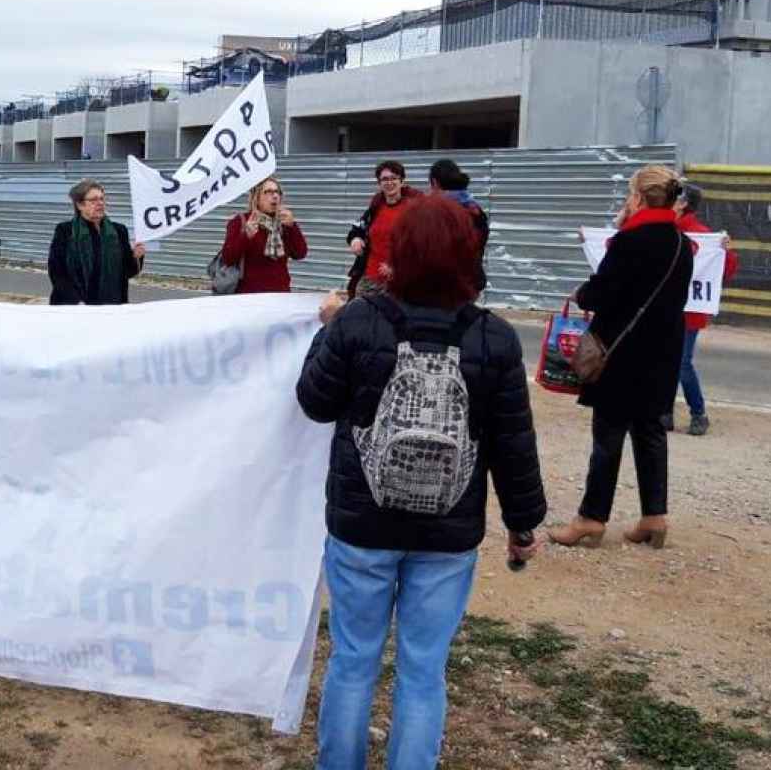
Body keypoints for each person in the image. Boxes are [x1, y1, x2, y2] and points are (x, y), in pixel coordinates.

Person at [297, 196, 545, 770]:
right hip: (448, 533)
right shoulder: (495, 338)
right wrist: (522, 524)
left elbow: (314, 402)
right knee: (423, 669)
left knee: (354, 660)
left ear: (397, 251)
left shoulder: (359, 321)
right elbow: (513, 444)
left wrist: (326, 331)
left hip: (362, 525)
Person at [549, 166, 694, 550]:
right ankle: (654, 516)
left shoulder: (630, 241)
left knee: (608, 436)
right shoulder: (682, 244)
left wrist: (582, 294)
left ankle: (591, 519)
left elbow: (601, 293)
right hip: (662, 353)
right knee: (650, 433)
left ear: (638, 197)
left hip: (621, 353)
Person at [668, 183, 738, 436]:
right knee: (668, 361)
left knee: (681, 363)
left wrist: (725, 252)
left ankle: (698, 413)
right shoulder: (667, 230)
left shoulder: (700, 235)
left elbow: (724, 271)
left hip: (687, 311)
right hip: (667, 309)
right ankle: (665, 410)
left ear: (683, 203)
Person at [47, 178, 146, 305]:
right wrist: (76, 302)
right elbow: (57, 272)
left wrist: (137, 256)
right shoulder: (65, 231)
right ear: (80, 205)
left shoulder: (118, 231)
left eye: (102, 198)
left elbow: (128, 272)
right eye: (93, 200)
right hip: (75, 306)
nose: (100, 203)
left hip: (111, 306)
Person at [219, 176, 309, 293]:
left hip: (280, 294)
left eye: (277, 192)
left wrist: (292, 227)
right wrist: (246, 236)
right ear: (256, 197)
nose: (275, 196)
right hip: (250, 297)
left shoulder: (283, 222)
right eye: (268, 192)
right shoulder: (241, 221)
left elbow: (300, 253)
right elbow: (228, 258)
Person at [345, 160, 419, 298]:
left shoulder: (414, 210)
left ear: (402, 181)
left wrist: (398, 265)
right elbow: (356, 229)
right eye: (384, 179)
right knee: (361, 316)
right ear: (379, 183)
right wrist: (355, 239)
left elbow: (420, 245)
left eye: (394, 178)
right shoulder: (375, 208)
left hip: (399, 282)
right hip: (369, 278)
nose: (389, 183)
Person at [427, 158, 489, 297]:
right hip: (470, 282)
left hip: (442, 286)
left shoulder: (435, 211)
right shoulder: (474, 209)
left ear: (434, 182)